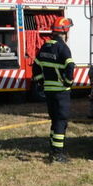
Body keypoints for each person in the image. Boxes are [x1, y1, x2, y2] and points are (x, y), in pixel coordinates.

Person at [33, 17, 76, 163]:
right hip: (61, 91)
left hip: (49, 90)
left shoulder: (45, 47)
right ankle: (58, 154)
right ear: (65, 32)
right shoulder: (63, 48)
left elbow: (36, 66)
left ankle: (53, 148)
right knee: (61, 120)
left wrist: (40, 81)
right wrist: (68, 82)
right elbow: (70, 66)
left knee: (54, 119)